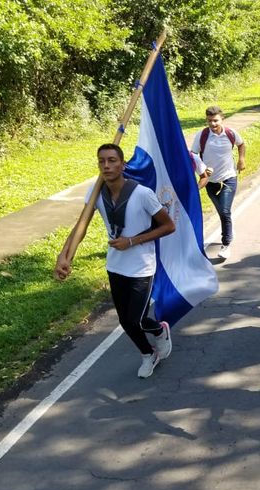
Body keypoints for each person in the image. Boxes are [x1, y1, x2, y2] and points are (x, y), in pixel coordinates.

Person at [55, 144, 176, 378]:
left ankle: (160, 331)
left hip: (141, 266)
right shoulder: (96, 192)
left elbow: (168, 226)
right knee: (125, 321)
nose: (107, 165)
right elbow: (81, 225)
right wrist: (64, 255)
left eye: (112, 160)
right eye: (101, 161)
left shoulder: (142, 194)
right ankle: (148, 354)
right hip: (116, 265)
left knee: (136, 319)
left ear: (122, 165)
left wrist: (132, 241)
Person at [191, 105, 245, 260]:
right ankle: (229, 229)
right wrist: (202, 169)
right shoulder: (202, 136)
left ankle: (226, 244)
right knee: (222, 211)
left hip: (229, 178)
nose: (213, 124)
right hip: (210, 181)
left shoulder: (230, 133)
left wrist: (241, 159)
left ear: (222, 119)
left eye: (215, 121)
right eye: (209, 121)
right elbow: (193, 155)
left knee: (225, 211)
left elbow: (241, 144)